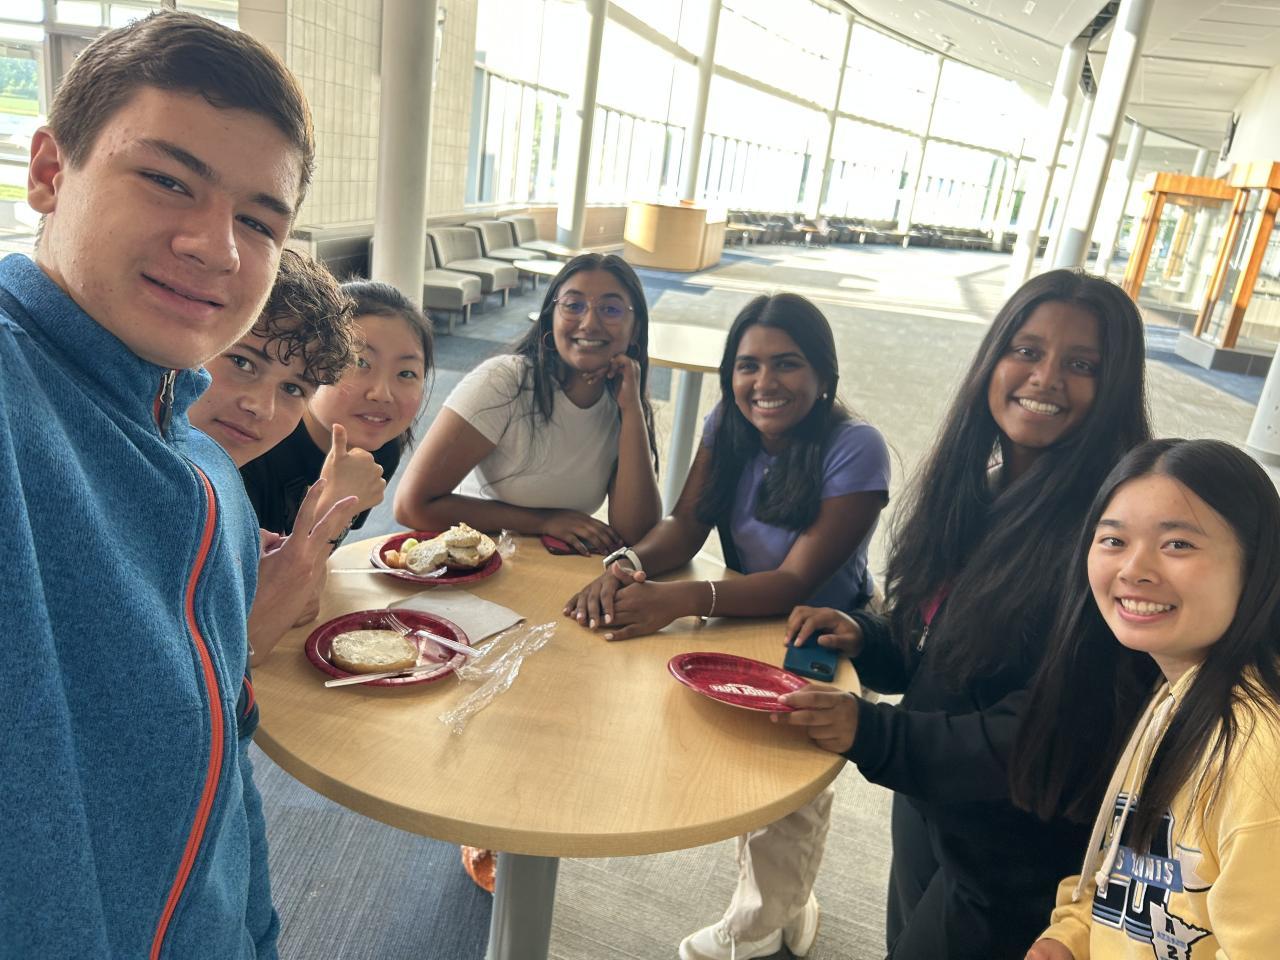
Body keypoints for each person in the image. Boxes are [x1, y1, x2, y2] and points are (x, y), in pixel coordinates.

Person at [0, 12, 328, 958]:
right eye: (168, 179)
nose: (217, 247)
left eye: (259, 222)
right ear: (50, 172)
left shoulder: (210, 473)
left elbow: (227, 763)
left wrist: (256, 934)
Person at [774, 269, 1151, 960]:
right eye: (1027, 350)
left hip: (1013, 855)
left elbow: (1044, 730)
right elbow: (943, 646)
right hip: (935, 803)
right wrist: (869, 636)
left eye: (1082, 365)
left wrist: (872, 732)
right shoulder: (983, 492)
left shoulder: (1111, 536)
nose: (1045, 378)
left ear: (1116, 387)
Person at [564, 293, 890, 960]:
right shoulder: (727, 423)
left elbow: (796, 580)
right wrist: (626, 566)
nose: (765, 383)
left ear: (823, 373)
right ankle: (786, 902)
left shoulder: (856, 447)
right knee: (745, 761)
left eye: (786, 364)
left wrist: (679, 601)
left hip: (828, 630)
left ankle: (760, 927)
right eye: (748, 366)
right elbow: (686, 524)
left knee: (786, 774)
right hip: (745, 612)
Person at [1014, 439, 1280, 960]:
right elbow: (1135, 880)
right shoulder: (1178, 692)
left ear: (1259, 565)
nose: (1134, 569)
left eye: (1178, 544)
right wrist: (1071, 937)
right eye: (1113, 540)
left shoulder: (1262, 753)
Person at [188, 249, 383, 663]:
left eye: (293, 388)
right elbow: (237, 655)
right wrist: (321, 530)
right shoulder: (145, 489)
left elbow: (303, 605)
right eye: (242, 362)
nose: (262, 407)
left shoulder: (221, 494)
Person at [393, 253, 661, 552]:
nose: (589, 323)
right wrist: (543, 521)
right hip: (479, 558)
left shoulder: (621, 404)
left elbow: (638, 533)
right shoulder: (505, 381)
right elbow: (411, 506)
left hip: (551, 565)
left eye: (610, 309)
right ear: (551, 317)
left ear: (636, 328)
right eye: (573, 305)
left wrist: (633, 410)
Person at [240, 279, 433, 538]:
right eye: (360, 362)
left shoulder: (380, 448)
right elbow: (247, 566)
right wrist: (332, 508)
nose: (382, 394)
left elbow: (324, 554)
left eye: (407, 373)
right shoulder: (253, 443)